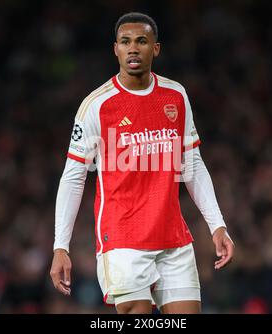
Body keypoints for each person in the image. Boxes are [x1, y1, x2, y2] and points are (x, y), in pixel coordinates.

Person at [50, 12, 234, 314]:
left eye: (141, 41)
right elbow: (73, 177)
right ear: (116, 50)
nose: (133, 48)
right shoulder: (97, 106)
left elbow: (193, 164)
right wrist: (61, 246)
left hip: (173, 239)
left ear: (155, 48)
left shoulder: (175, 95)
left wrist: (218, 226)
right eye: (125, 42)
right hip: (123, 242)